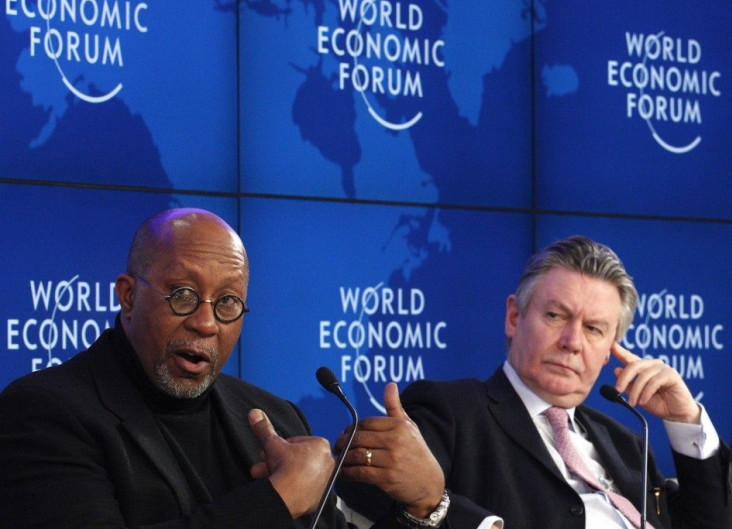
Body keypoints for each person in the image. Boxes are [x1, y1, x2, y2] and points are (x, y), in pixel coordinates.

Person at [0, 208, 439, 529]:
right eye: (183, 294)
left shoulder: (278, 419)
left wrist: (423, 507)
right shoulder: (44, 413)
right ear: (128, 296)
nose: (206, 323)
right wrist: (278, 499)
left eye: (228, 302)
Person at [336, 235, 732, 529]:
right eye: (555, 316)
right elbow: (382, 502)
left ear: (612, 347)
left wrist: (685, 419)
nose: (572, 342)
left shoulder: (628, 444)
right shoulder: (452, 411)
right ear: (514, 317)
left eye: (594, 329)